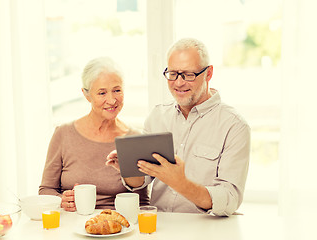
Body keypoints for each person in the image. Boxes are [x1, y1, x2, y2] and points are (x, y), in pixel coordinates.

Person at [106, 38, 250, 216]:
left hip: (206, 230)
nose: (179, 83)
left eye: (188, 75)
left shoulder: (234, 126)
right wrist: (127, 168)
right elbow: (141, 180)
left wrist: (181, 183)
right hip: (159, 227)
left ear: (209, 73)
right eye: (173, 74)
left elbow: (230, 199)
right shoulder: (157, 116)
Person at [39, 57, 149, 211]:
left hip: (117, 226)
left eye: (117, 90)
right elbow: (45, 190)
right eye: (102, 93)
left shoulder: (134, 139)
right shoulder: (63, 134)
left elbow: (143, 203)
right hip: (73, 225)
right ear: (86, 94)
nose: (111, 100)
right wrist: (62, 201)